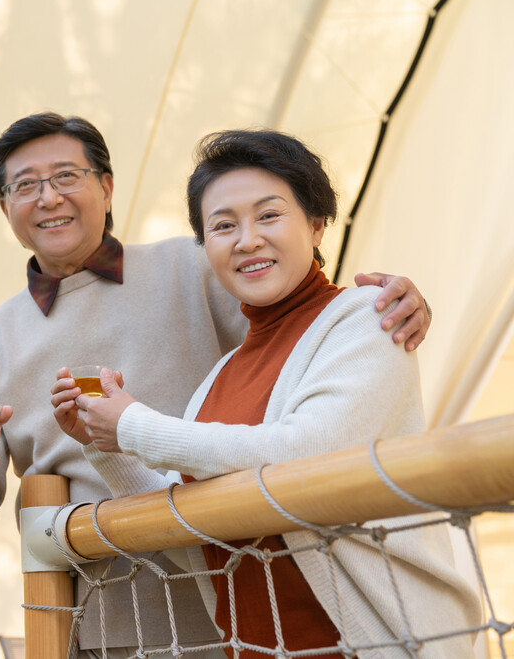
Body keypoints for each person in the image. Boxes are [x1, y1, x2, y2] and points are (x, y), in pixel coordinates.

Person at [0, 113, 433, 659]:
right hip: (103, 627)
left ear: (107, 185)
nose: (49, 198)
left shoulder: (200, 265)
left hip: (249, 605)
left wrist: (391, 300)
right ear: (4, 206)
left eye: (67, 175)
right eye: (25, 185)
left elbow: (310, 340)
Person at [50, 129, 480, 658]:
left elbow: (301, 456)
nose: (246, 239)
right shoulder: (222, 374)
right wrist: (105, 441)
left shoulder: (368, 320)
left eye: (269, 215)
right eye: (223, 226)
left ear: (317, 224)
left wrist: (132, 423)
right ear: (206, 248)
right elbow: (190, 535)